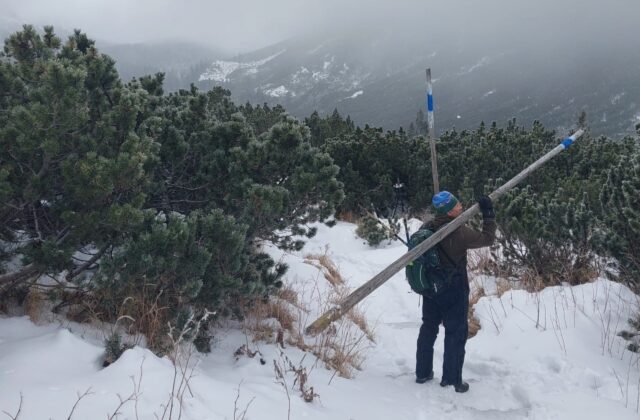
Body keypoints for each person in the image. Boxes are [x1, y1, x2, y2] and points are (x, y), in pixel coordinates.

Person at [415, 191, 496, 393]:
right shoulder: (459, 233)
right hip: (453, 288)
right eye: (457, 204)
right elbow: (487, 239)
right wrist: (488, 214)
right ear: (450, 211)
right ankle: (451, 380)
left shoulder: (427, 227)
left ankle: (422, 372)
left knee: (428, 327)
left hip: (430, 288)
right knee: (455, 332)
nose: (461, 206)